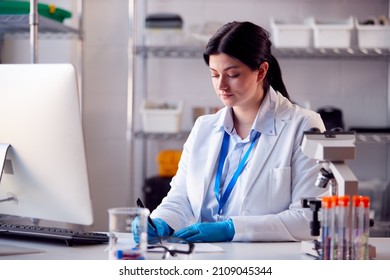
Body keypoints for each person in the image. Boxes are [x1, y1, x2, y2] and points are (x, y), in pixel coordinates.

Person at [133, 21, 326, 243]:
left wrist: (233, 229)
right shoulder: (204, 127)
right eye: (214, 75)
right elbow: (181, 197)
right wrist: (161, 220)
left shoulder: (303, 125)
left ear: (261, 71)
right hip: (203, 257)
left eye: (232, 75)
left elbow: (309, 218)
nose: (221, 86)